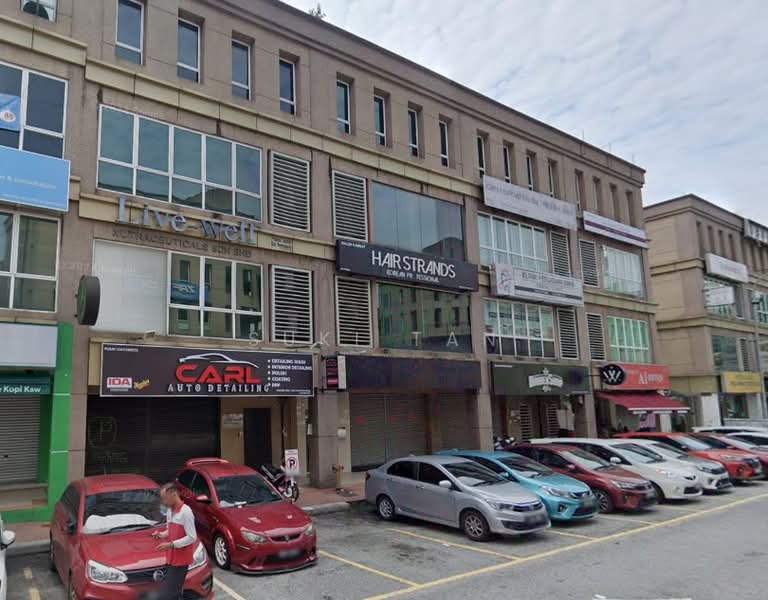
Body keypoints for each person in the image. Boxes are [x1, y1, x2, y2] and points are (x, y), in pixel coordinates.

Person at [151, 483, 197, 599]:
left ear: (174, 494)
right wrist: (161, 535)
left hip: (181, 561)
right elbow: (170, 530)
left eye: (165, 498)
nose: (164, 502)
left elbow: (192, 537)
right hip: (171, 559)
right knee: (173, 593)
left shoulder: (186, 512)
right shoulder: (170, 511)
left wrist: (171, 545)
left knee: (167, 595)